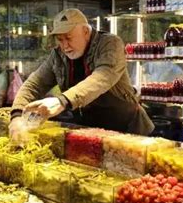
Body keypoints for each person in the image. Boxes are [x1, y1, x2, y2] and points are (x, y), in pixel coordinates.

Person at [9, 8, 154, 142]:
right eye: (60, 39)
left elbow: (101, 78)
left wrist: (62, 101)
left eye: (69, 38)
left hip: (127, 130)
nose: (65, 45)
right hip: (90, 130)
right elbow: (35, 83)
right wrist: (16, 116)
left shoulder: (110, 44)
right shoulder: (58, 55)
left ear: (85, 31)